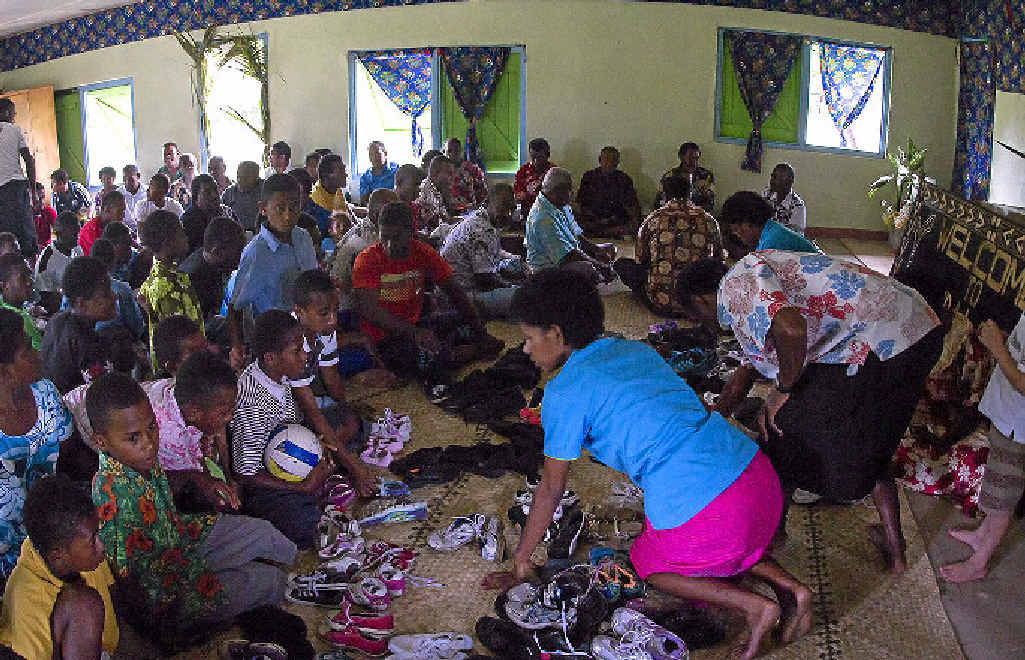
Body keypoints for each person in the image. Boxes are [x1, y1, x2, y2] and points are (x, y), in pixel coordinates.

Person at [486, 269, 813, 660]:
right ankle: (793, 588)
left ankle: (755, 607)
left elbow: (551, 490)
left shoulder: (563, 393)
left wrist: (522, 560)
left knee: (648, 562)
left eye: (529, 338)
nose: (525, 349)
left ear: (555, 334)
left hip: (714, 507)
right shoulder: (635, 350)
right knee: (714, 537)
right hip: (758, 479)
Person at [677, 252, 944, 575]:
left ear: (699, 300)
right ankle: (896, 551)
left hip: (885, 340)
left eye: (695, 316)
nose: (701, 324)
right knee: (874, 440)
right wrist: (712, 421)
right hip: (914, 330)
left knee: (780, 431)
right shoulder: (745, 292)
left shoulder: (737, 284)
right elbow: (745, 374)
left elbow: (791, 330)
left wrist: (782, 390)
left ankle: (772, 536)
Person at [87, 372, 296, 646]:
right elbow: (132, 586)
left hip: (182, 536)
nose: (149, 443)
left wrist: (194, 477)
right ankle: (295, 590)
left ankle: (305, 575)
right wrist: (168, 630)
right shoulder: (112, 501)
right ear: (101, 441)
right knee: (266, 581)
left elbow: (162, 486)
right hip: (171, 594)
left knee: (263, 533)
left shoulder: (136, 458)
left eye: (151, 427)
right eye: (133, 438)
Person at [352, 202, 502, 379]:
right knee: (428, 359)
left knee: (474, 316)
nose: (390, 245)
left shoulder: (423, 252)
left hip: (417, 325)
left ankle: (456, 348)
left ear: (411, 232)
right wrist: (414, 332)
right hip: (385, 338)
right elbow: (371, 311)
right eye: (384, 237)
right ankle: (466, 351)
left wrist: (480, 332)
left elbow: (455, 292)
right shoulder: (367, 260)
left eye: (397, 237)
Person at [229, 310, 338, 548]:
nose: (305, 354)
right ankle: (311, 493)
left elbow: (293, 424)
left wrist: (315, 444)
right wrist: (301, 486)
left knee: (347, 421)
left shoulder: (280, 373)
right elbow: (245, 474)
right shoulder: (252, 402)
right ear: (271, 357)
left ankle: (317, 483)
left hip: (288, 450)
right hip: (263, 478)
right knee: (303, 523)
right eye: (297, 351)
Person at [941, 313, 1025, 582]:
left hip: (1019, 426)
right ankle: (982, 536)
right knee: (997, 481)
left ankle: (980, 563)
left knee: (1003, 497)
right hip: (1009, 414)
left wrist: (997, 348)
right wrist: (1006, 342)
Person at [0, 473, 118, 659]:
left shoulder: (83, 553)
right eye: (93, 540)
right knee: (84, 604)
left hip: (104, 649)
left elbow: (116, 609)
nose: (101, 546)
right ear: (58, 554)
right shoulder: (27, 605)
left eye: (98, 533)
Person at [0, 309, 75, 577]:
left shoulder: (46, 395)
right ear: (3, 372)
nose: (38, 353)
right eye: (26, 351)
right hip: (10, 561)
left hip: (58, 534)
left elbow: (69, 463)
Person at [291, 270, 373, 487]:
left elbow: (332, 380)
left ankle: (327, 454)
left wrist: (345, 410)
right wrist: (354, 466)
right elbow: (310, 411)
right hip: (284, 417)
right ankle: (323, 458)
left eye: (336, 310)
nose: (333, 320)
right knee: (340, 434)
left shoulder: (324, 331)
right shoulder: (292, 347)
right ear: (299, 311)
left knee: (353, 423)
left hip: (306, 405)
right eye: (324, 313)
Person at [229, 173, 318, 369]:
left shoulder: (303, 237)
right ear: (263, 208)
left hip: (308, 331)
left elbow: (312, 283)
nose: (288, 215)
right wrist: (236, 346)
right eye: (280, 208)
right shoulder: (257, 252)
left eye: (294, 207)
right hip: (275, 343)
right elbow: (235, 306)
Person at [613, 176, 723, 316]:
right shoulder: (709, 220)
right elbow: (719, 260)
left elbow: (641, 260)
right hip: (699, 304)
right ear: (690, 193)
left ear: (664, 195)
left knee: (622, 264)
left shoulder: (653, 219)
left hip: (661, 303)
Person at [148, 351, 241, 513]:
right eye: (223, 413)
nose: (230, 417)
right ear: (194, 412)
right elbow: (191, 478)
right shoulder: (170, 436)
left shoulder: (180, 393)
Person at [440, 183, 523, 318]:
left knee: (515, 265)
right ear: (488, 202)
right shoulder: (481, 230)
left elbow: (493, 252)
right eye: (502, 206)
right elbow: (484, 279)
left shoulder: (481, 219)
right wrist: (510, 285)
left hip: (463, 287)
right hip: (463, 297)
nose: (508, 214)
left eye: (511, 208)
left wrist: (515, 259)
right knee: (523, 296)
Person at [524, 168, 616, 283]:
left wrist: (596, 249)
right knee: (587, 268)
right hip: (548, 270)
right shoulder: (542, 218)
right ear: (558, 191)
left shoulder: (561, 204)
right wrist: (600, 266)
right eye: (569, 189)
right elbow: (567, 256)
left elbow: (575, 234)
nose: (572, 193)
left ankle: (600, 276)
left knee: (608, 249)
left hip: (569, 255)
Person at [40, 256, 117, 394]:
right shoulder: (88, 344)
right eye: (105, 294)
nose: (114, 296)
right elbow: (105, 396)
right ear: (81, 304)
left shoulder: (57, 321)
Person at [139, 210, 205, 367]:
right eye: (181, 233)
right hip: (183, 366)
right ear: (168, 243)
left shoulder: (170, 274)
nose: (186, 237)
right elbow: (179, 340)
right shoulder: (166, 286)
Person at [332, 188, 397, 314]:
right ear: (379, 214)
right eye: (394, 213)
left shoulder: (369, 231)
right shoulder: (363, 242)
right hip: (354, 309)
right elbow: (340, 282)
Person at [179, 215, 245, 323]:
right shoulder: (193, 281)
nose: (240, 259)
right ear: (217, 252)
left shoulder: (213, 263)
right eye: (237, 254)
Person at [719, 191, 818, 258]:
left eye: (736, 230)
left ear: (748, 223)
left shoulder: (771, 245)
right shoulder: (771, 229)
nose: (738, 236)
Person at [0, 98, 38, 260]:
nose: (14, 117)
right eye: (13, 114)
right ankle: (30, 268)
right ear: (7, 113)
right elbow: (29, 160)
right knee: (25, 234)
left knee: (5, 238)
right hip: (15, 188)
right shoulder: (15, 130)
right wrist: (33, 192)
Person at [575, 146, 641, 237]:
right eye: (606, 160)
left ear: (617, 163)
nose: (609, 164)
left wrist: (634, 222)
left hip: (616, 221)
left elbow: (632, 206)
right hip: (593, 220)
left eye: (613, 160)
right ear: (600, 160)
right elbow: (580, 204)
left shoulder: (624, 179)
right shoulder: (589, 177)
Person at [34, 211, 83, 311]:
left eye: (78, 230)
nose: (77, 235)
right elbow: (44, 297)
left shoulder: (77, 249)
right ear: (59, 233)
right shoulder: (47, 261)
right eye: (73, 232)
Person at [181, 173, 236, 254]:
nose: (214, 195)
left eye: (215, 190)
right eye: (207, 192)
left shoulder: (227, 212)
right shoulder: (188, 221)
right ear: (196, 197)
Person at [655, 142, 715, 213]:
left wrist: (693, 211)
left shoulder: (705, 176)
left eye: (696, 158)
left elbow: (710, 204)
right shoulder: (669, 177)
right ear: (681, 157)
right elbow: (659, 203)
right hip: (674, 215)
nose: (694, 163)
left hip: (697, 215)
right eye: (690, 158)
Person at [0, 253, 42, 350]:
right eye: (22, 278)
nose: (29, 282)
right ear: (4, 286)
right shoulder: (19, 320)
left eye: (29, 275)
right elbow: (39, 354)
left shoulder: (5, 306)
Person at [308, 154, 355, 240]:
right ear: (327, 176)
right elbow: (336, 231)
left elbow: (349, 214)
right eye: (341, 171)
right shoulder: (317, 200)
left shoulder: (337, 190)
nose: (346, 175)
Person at [444, 137, 487, 214]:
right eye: (449, 151)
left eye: (456, 150)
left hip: (469, 212)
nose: (451, 154)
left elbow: (483, 193)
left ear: (461, 151)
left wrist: (477, 210)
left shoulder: (472, 169)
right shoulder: (442, 171)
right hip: (447, 212)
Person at [513, 138, 555, 216]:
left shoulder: (554, 172)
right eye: (533, 157)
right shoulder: (523, 171)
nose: (536, 161)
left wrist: (527, 196)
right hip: (526, 213)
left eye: (539, 158)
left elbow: (553, 198)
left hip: (547, 213)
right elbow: (518, 195)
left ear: (547, 155)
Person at [78, 189, 125, 256]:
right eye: (120, 211)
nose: (123, 216)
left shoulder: (115, 226)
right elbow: (102, 257)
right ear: (107, 209)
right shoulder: (90, 230)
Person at [763, 163, 806, 235]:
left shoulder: (798, 206)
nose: (772, 181)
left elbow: (795, 235)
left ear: (789, 183)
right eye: (772, 176)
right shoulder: (767, 194)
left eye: (776, 178)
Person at [416, 155, 455, 234]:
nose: (452, 178)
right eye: (449, 174)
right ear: (435, 173)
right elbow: (435, 224)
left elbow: (446, 217)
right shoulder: (425, 189)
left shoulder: (437, 190)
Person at [221, 161, 263, 233]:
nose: (240, 180)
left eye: (245, 177)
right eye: (239, 176)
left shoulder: (265, 190)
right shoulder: (229, 193)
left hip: (261, 232)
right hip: (236, 233)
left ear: (257, 177)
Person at [394, 163, 426, 230]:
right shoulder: (388, 209)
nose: (419, 189)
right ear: (399, 183)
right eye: (416, 184)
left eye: (420, 184)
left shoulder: (416, 208)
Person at [118, 164, 147, 232]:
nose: (127, 182)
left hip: (145, 229)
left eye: (131, 179)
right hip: (124, 230)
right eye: (125, 179)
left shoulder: (148, 192)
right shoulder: (119, 193)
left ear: (138, 176)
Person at [32, 181, 56, 250]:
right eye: (39, 198)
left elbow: (59, 230)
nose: (42, 201)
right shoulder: (25, 215)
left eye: (43, 197)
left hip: (46, 250)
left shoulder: (49, 211)